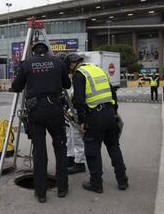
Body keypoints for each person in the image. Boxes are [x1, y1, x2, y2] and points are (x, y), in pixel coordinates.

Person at [11, 42, 71, 203]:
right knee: (60, 147)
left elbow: (16, 87)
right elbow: (67, 84)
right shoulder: (58, 62)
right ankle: (63, 188)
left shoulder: (27, 64)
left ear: (33, 52)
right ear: (47, 50)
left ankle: (41, 193)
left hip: (36, 111)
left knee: (39, 150)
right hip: (55, 109)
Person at [62, 53, 128, 193]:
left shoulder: (79, 74)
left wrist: (81, 122)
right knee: (114, 147)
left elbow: (78, 101)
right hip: (109, 113)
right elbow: (113, 93)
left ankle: (96, 184)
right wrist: (113, 111)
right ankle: (122, 181)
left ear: (72, 65)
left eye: (68, 68)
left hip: (94, 116)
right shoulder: (98, 69)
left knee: (92, 151)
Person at [58, 53, 86, 174]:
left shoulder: (76, 75)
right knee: (69, 135)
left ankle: (79, 163)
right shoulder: (69, 74)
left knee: (77, 137)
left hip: (76, 109)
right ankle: (70, 157)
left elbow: (75, 95)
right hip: (69, 110)